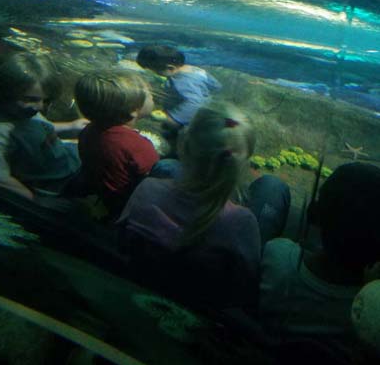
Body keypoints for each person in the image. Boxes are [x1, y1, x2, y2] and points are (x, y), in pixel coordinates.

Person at [118, 103, 285, 312]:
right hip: (203, 313)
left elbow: (123, 235)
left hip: (145, 287)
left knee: (166, 167)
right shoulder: (241, 221)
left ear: (184, 147)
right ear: (242, 163)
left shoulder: (147, 189)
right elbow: (247, 283)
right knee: (273, 186)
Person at [260, 162, 380, 343]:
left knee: (271, 186)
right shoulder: (368, 312)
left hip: (267, 341)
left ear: (315, 213)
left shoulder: (279, 254)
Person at [0, 51, 87, 201]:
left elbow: (37, 128)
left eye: (46, 100)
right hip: (59, 183)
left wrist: (70, 126)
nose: (39, 107)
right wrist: (33, 201)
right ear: (2, 91)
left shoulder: (21, 111)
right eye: (31, 99)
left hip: (65, 159)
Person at [74, 70, 181, 217]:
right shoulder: (135, 144)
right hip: (127, 202)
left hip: (104, 193)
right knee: (170, 166)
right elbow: (154, 175)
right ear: (133, 111)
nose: (153, 95)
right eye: (149, 94)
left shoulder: (89, 130)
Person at [136, 45, 222, 129]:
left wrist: (173, 118)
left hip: (191, 119)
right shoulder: (194, 69)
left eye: (155, 71)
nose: (154, 73)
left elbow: (194, 102)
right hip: (204, 105)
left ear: (170, 68)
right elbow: (216, 86)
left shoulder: (183, 81)